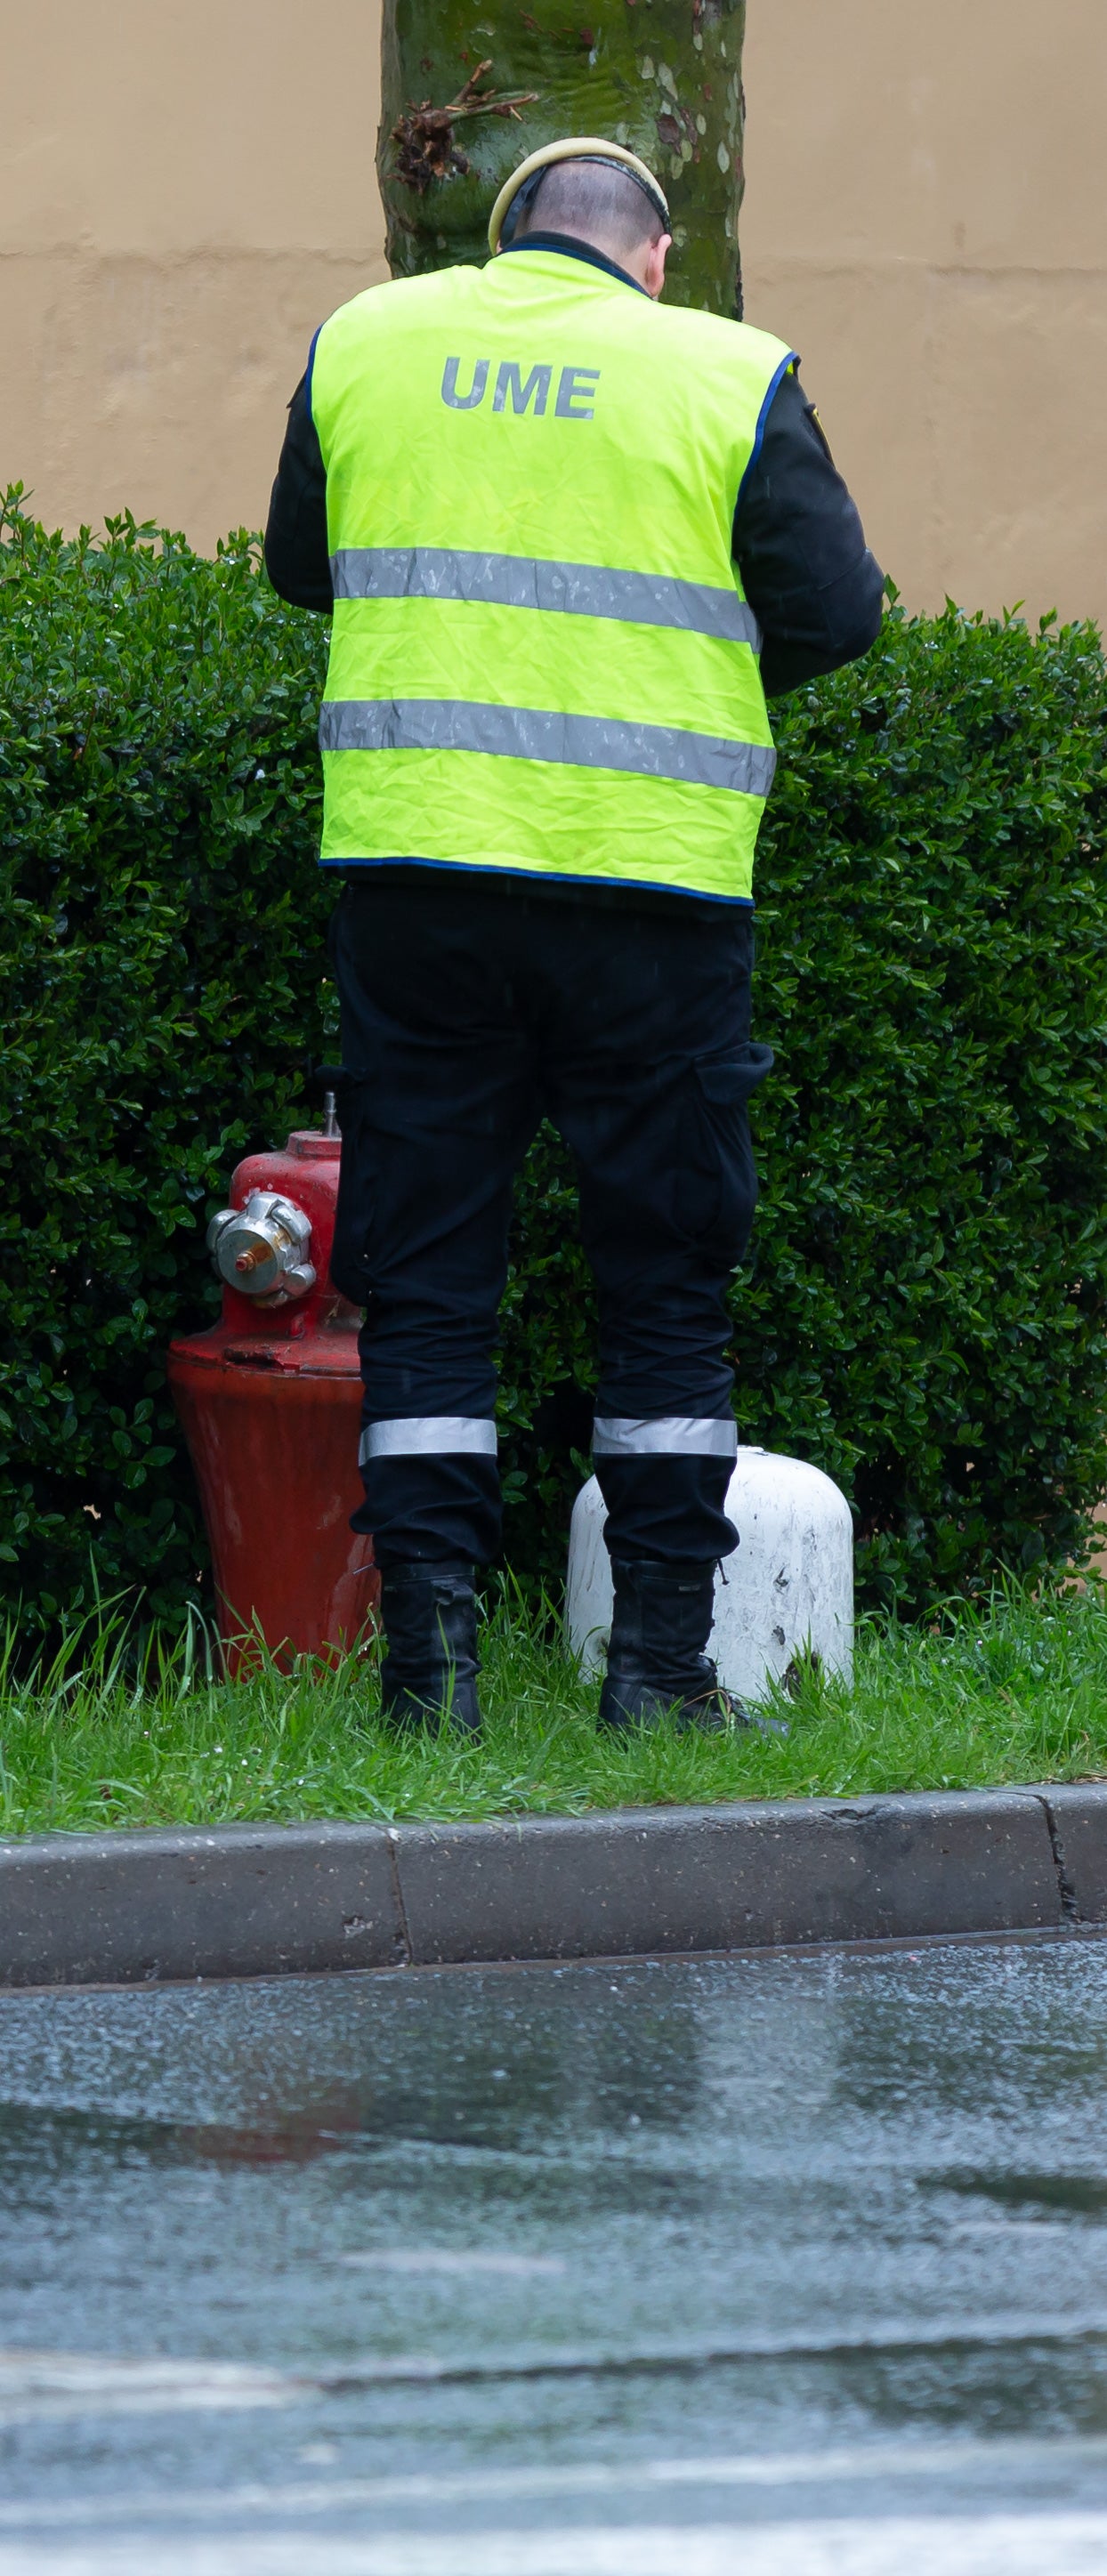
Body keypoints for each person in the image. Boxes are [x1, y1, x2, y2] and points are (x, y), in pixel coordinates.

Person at [264, 136, 883, 1737]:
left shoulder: (369, 337)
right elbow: (837, 609)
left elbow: (297, 566)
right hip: (653, 893)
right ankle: (662, 1675)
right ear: (654, 256)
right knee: (666, 1274)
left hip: (419, 879)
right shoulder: (729, 372)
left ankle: (433, 1681)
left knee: (426, 1281)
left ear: (503, 241)